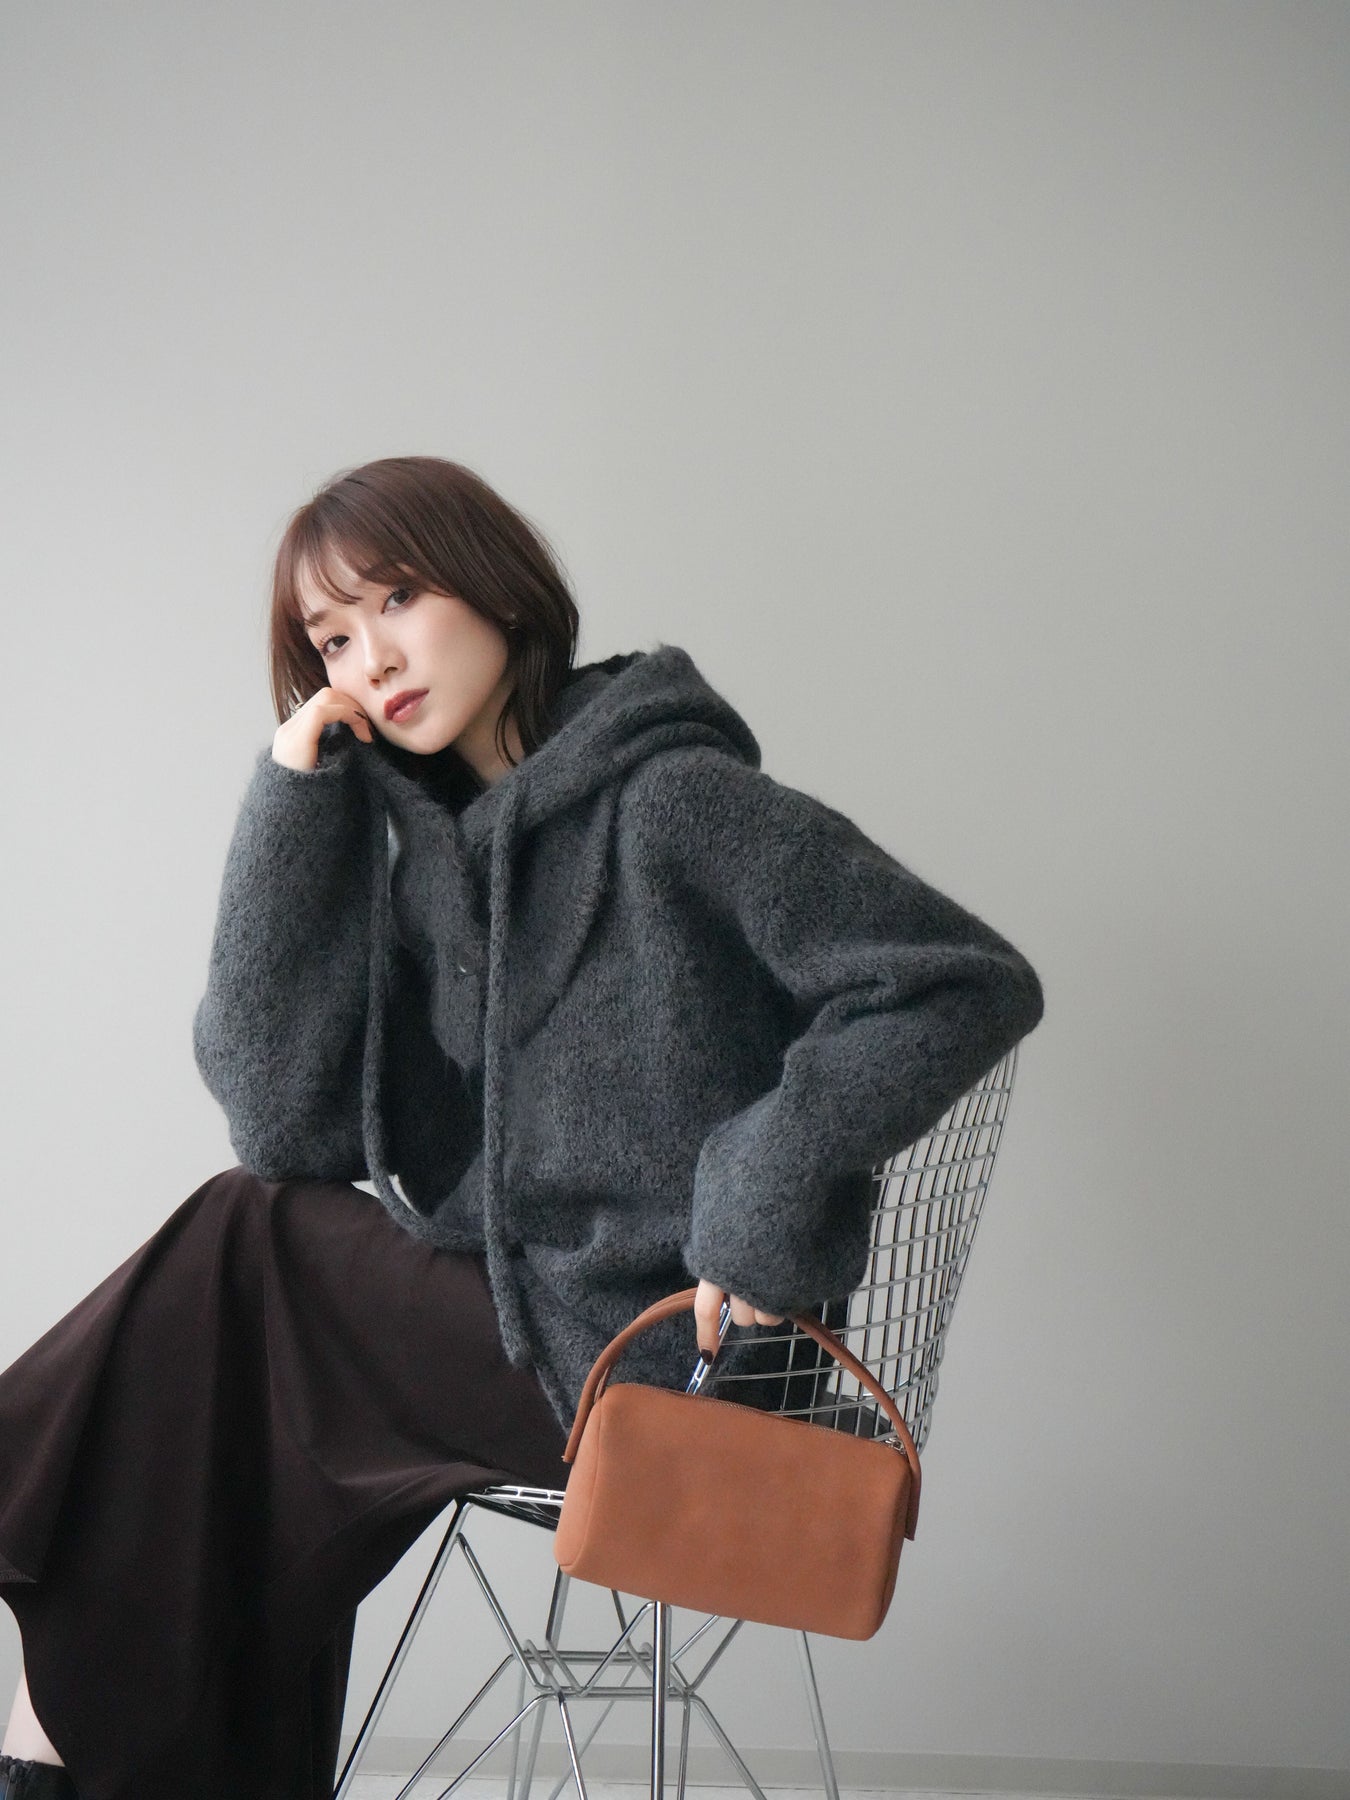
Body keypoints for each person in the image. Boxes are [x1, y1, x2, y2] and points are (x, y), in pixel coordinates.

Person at [0, 455, 1045, 1798]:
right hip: (519, 1324)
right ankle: (53, 1755)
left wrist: (759, 1192)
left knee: (239, 1254)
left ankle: (42, 1746)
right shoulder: (430, 860)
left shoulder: (674, 801)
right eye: (332, 639)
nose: (373, 658)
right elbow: (282, 1126)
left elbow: (958, 981)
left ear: (493, 586)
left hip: (667, 1354)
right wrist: (291, 803)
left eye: (395, 599)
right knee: (226, 1424)